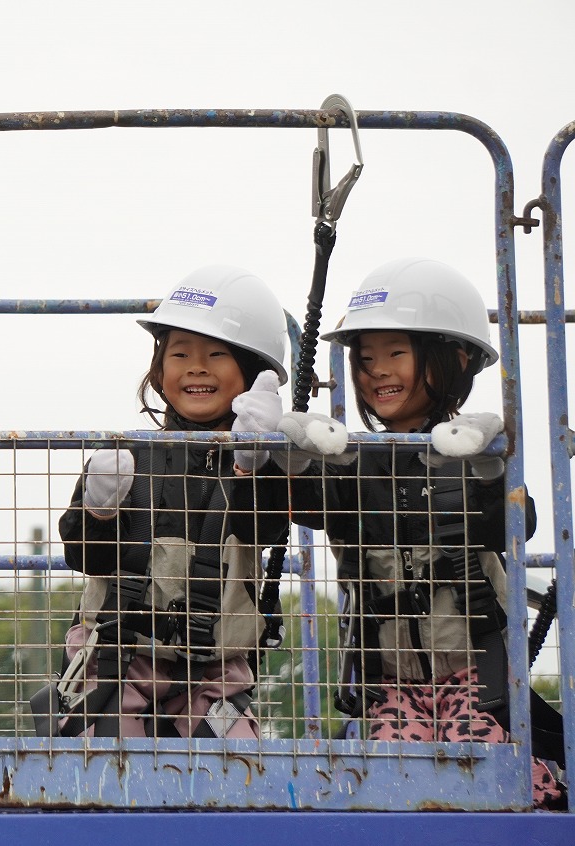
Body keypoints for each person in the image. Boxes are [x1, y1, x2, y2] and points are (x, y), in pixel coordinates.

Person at [276, 257, 563, 807]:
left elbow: (515, 525)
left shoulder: (476, 449)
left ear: (451, 360)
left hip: (475, 671)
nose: (377, 370)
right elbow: (307, 507)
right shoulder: (356, 462)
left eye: (395, 354)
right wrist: (290, 456)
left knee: (477, 763)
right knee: (393, 773)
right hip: (393, 677)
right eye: (364, 360)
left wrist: (488, 468)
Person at [50, 266, 291, 739]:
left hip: (216, 671)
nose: (196, 367)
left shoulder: (256, 463)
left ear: (251, 372)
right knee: (104, 765)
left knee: (237, 770)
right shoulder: (127, 457)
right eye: (180, 353)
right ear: (160, 369)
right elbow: (85, 557)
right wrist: (96, 512)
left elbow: (267, 526)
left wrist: (252, 465)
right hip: (118, 655)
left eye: (216, 354)